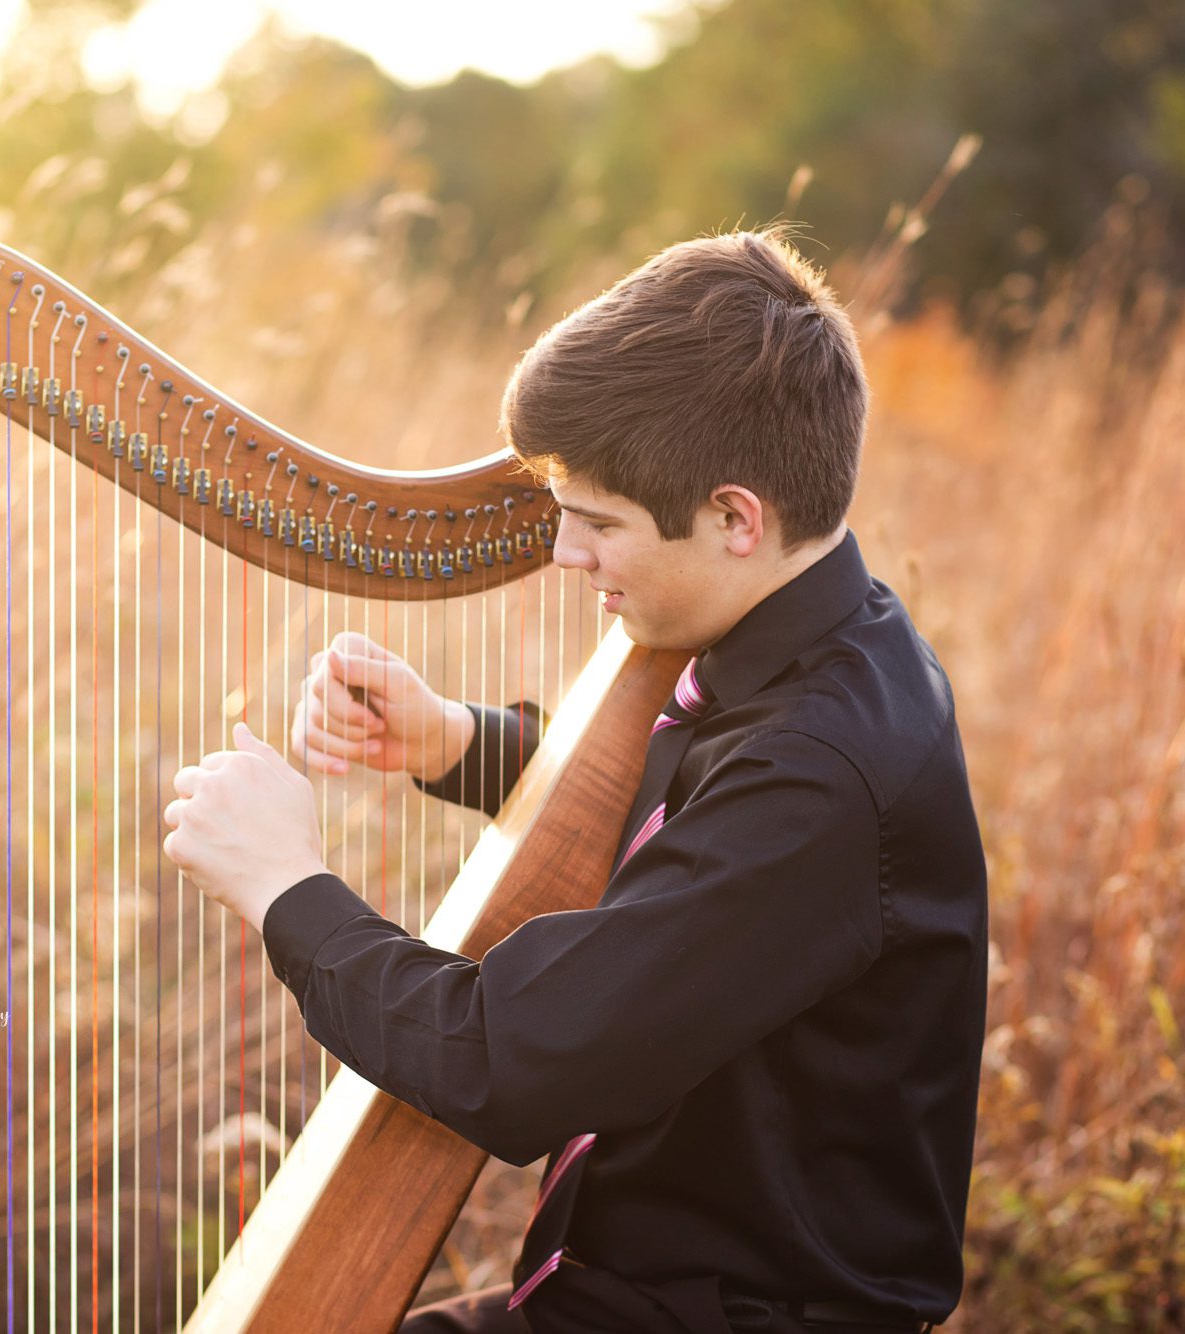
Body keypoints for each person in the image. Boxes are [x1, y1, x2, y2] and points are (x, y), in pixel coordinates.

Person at [161, 227, 986, 1333]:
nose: (560, 552)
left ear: (736, 517)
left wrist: (282, 884)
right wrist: (456, 741)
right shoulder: (826, 638)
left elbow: (511, 1059)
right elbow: (697, 817)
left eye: (596, 521)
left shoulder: (819, 771)